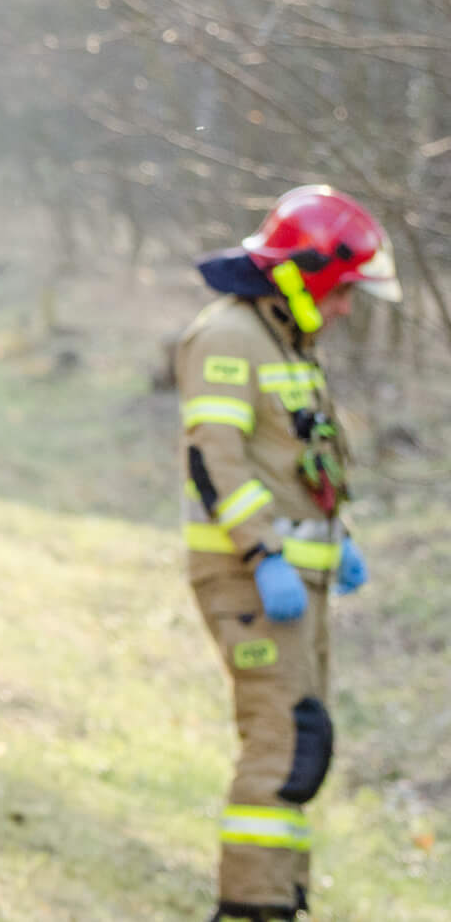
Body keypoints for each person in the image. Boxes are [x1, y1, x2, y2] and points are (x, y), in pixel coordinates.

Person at [175, 186, 398, 921]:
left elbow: (297, 460)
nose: (344, 310)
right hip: (250, 576)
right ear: (304, 276)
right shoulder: (228, 337)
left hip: (301, 575)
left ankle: (283, 897)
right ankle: (252, 909)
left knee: (306, 738)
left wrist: (342, 540)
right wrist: (265, 553)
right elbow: (216, 460)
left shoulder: (283, 342)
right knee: (282, 739)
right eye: (342, 293)